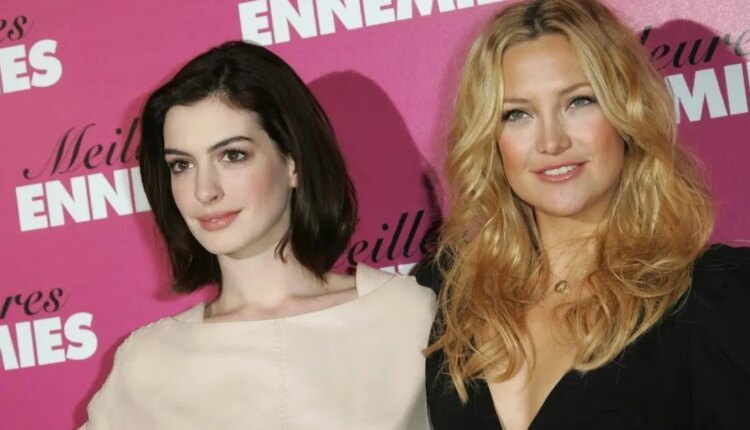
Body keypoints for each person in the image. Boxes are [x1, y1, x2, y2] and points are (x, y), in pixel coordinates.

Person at [416, 0, 750, 429]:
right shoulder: (448, 296)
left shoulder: (712, 300)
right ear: (491, 138)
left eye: (578, 102)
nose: (551, 142)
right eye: (517, 114)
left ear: (626, 112)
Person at [79, 41, 435, 430]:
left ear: (293, 162)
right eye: (181, 165)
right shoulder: (148, 364)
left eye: (232, 155)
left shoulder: (407, 317)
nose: (204, 191)